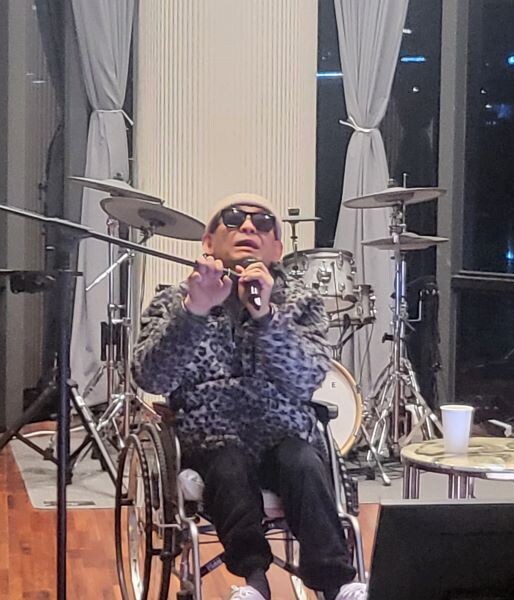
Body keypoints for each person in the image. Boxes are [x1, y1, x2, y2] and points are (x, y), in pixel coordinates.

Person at [132, 193, 366, 600]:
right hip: (211, 442)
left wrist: (265, 317)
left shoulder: (301, 304)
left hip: (284, 437)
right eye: (234, 218)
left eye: (263, 222)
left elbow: (308, 378)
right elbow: (150, 377)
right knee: (229, 463)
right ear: (208, 241)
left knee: (303, 461)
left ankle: (336, 583)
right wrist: (194, 312)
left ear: (277, 248)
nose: (247, 227)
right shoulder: (174, 301)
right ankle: (255, 582)